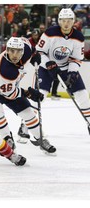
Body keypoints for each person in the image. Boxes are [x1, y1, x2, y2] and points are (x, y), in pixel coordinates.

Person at [18, 8, 88, 140]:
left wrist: (72, 73)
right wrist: (48, 63)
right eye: (63, 20)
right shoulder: (50, 33)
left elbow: (77, 58)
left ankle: (89, 123)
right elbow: (39, 52)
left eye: (69, 20)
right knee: (39, 96)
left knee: (82, 95)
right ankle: (25, 126)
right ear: (59, 21)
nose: (66, 23)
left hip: (67, 68)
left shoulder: (78, 37)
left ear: (74, 21)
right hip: (46, 68)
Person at [0, 37, 56, 154]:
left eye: (18, 51)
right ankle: (7, 138)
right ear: (7, 50)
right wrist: (29, 93)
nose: (15, 55)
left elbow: (28, 44)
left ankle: (40, 139)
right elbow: (10, 95)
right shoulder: (5, 70)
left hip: (10, 87)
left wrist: (35, 54)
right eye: (12, 51)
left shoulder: (26, 49)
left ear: (23, 51)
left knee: (28, 113)